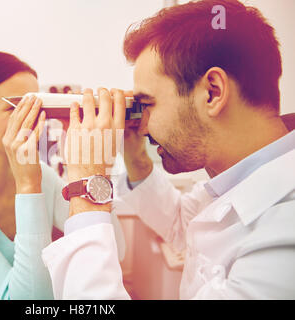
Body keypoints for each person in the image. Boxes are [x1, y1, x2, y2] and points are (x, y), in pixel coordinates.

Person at [39, 0, 295, 299]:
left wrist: (86, 191)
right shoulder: (236, 178)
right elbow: (181, 225)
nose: (142, 125)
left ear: (212, 92)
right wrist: (134, 156)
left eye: (147, 104)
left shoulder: (284, 230)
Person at [0, 51, 125, 299]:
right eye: (16, 108)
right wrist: (28, 186)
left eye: (38, 108)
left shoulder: (43, 176)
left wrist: (95, 169)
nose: (33, 120)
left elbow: (115, 250)